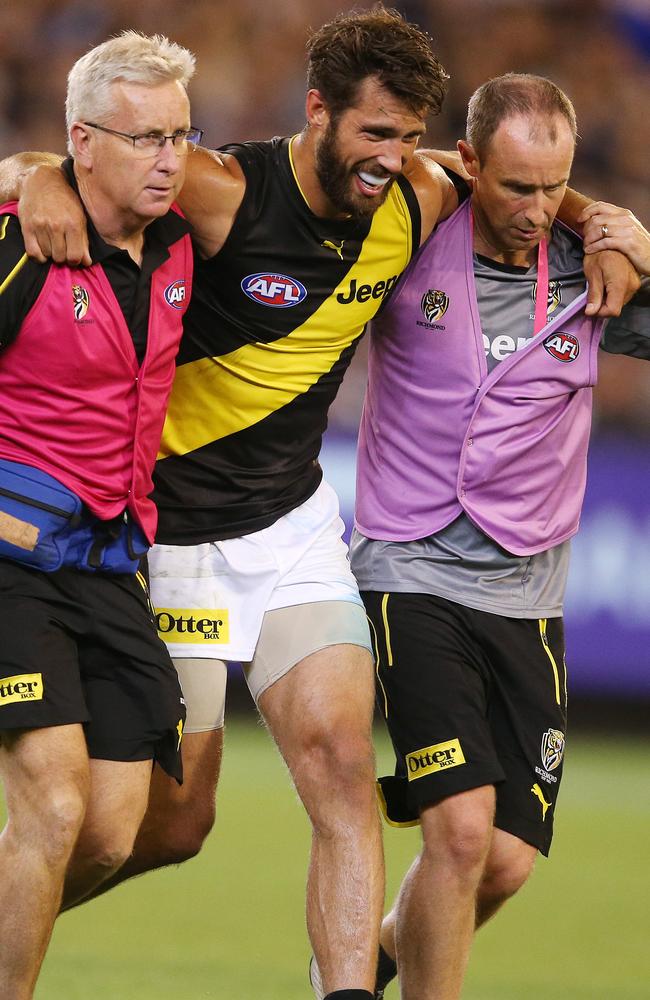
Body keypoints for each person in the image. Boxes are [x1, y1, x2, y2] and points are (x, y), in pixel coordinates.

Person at [0, 11, 637, 1000]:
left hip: (295, 525)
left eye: (406, 134)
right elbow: (101, 167)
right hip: (179, 543)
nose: (391, 156)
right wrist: (30, 172)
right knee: (171, 828)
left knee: (343, 769)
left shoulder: (420, 193)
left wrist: (600, 218)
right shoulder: (220, 194)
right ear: (316, 113)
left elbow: (512, 181)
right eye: (371, 133)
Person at [347, 74, 650, 999]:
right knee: (462, 830)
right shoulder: (411, 236)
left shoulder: (597, 267)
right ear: (471, 163)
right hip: (411, 566)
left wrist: (631, 232)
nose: (537, 209)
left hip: (529, 595)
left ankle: (362, 960)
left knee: (507, 862)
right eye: (516, 186)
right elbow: (343, 170)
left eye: (556, 186)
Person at [0, 31, 197, 999]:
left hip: (112, 565)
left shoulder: (178, 248)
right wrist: (25, 178)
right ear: (82, 141)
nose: (170, 159)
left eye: (180, 136)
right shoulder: (18, 237)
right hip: (13, 560)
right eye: (146, 137)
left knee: (116, 828)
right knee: (54, 796)